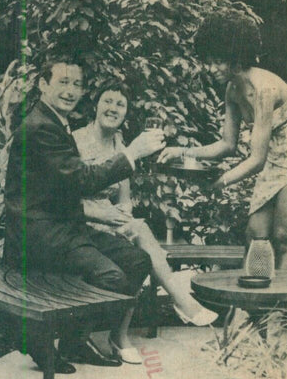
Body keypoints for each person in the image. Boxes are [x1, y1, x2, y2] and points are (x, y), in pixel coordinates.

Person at [3, 59, 165, 371]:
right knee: (112, 276)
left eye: (77, 84)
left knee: (138, 261)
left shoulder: (53, 121)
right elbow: (81, 180)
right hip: (39, 235)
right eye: (63, 82)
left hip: (65, 228)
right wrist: (131, 153)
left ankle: (76, 341)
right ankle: (45, 337)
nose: (71, 91)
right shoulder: (40, 128)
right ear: (43, 85)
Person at [159, 9, 287, 271]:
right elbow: (226, 145)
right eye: (208, 61)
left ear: (235, 58)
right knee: (255, 233)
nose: (210, 68)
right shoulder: (232, 90)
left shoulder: (263, 90)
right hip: (275, 153)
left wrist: (221, 181)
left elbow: (257, 160)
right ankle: (255, 302)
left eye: (217, 62)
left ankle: (282, 308)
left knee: (284, 237)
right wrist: (181, 152)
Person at [73, 87, 218, 357]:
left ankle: (126, 333)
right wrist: (104, 217)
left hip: (111, 223)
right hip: (80, 223)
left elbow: (124, 198)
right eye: (108, 101)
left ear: (125, 113)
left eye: (120, 104)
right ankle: (174, 306)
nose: (113, 108)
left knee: (138, 239)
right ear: (96, 106)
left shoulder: (120, 143)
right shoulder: (76, 141)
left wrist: (121, 219)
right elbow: (63, 200)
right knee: (140, 237)